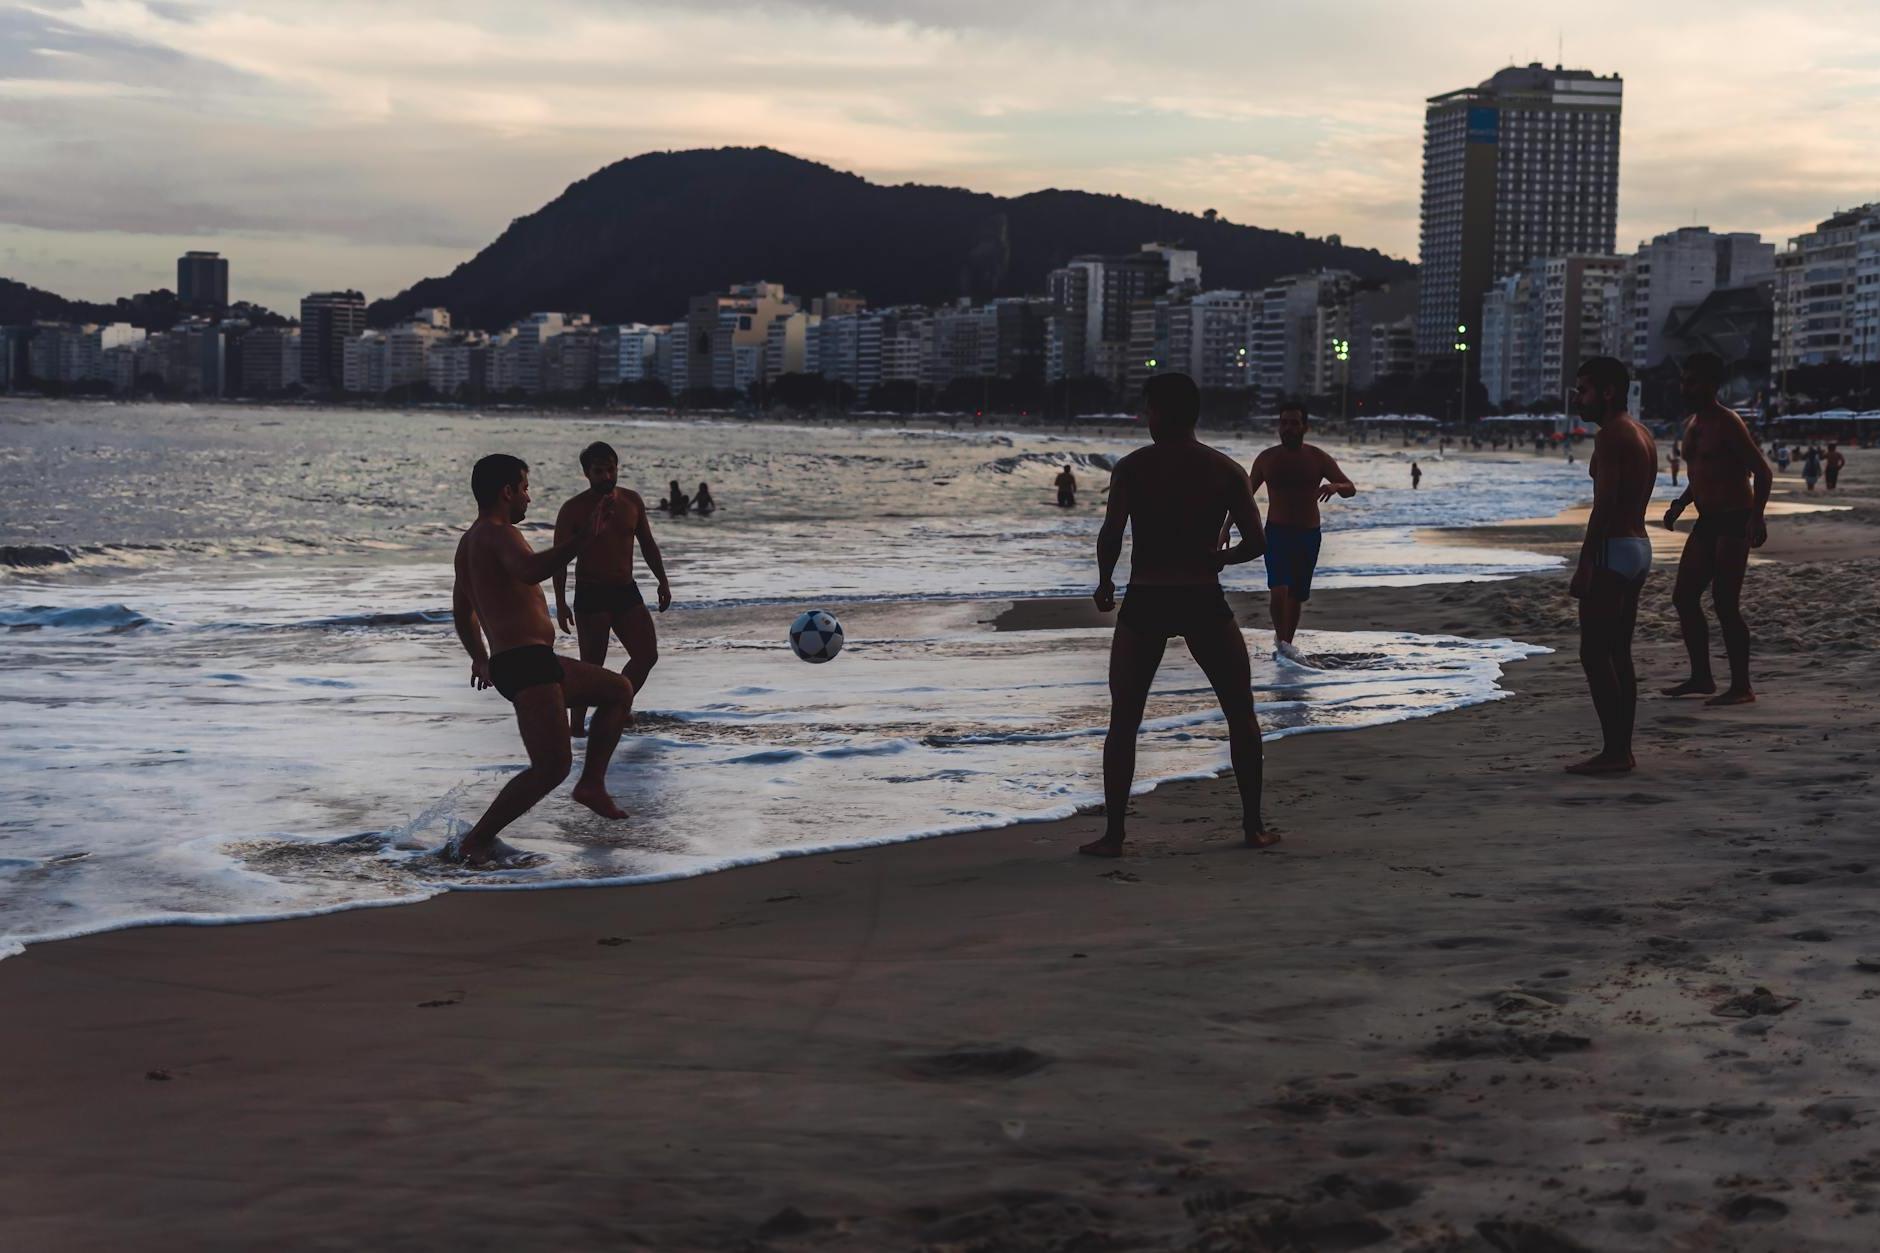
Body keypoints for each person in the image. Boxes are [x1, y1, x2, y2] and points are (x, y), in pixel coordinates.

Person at [1084, 372, 1270, 857]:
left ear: (1162, 414)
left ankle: (1115, 835)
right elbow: (1257, 542)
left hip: (1147, 598)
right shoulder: (1226, 470)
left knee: (1124, 719)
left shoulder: (1132, 468)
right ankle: (1252, 826)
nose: (1146, 420)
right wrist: (1220, 559)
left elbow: (1112, 532)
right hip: (1202, 598)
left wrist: (1105, 582)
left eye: (1148, 411)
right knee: (1240, 713)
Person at [450, 454, 634, 868]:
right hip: (525, 662)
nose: (529, 499)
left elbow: (463, 612)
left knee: (617, 690)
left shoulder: (468, 544)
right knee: (550, 767)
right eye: (526, 488)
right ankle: (475, 842)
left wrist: (480, 658)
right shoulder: (498, 534)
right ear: (507, 491)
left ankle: (591, 786)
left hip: (523, 661)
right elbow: (531, 570)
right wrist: (581, 540)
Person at [1661, 352, 1773, 706]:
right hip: (1706, 521)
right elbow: (1702, 474)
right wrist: (1681, 503)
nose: (1685, 387)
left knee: (1725, 603)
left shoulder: (1728, 422)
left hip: (1734, 519)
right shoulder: (1693, 423)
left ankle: (1742, 687)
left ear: (1712, 384)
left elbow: (1763, 472)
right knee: (1684, 597)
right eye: (1683, 380)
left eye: (1692, 381)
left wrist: (1757, 517)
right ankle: (1702, 677)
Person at [1565, 358, 1658, 775]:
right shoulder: (1642, 433)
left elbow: (1604, 505)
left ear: (1606, 392)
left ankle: (1616, 751)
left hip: (1613, 548)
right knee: (1619, 650)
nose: (1576, 397)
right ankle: (1621, 747)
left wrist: (1586, 563)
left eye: (1583, 389)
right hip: (1638, 546)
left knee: (1593, 653)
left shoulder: (1610, 437)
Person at [553, 442, 672, 739]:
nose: (606, 476)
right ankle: (577, 730)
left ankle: (614, 705)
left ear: (617, 468)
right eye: (598, 471)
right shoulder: (573, 509)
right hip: (591, 594)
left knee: (646, 655)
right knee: (590, 667)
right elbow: (559, 558)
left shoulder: (631, 501)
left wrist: (663, 580)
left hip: (625, 591)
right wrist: (560, 601)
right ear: (586, 474)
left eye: (610, 469)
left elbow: (647, 543)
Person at [1224, 400, 1356, 662]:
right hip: (1277, 533)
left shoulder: (1317, 457)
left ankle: (1285, 643)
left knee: (1296, 595)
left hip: (1308, 534)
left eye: (1294, 423)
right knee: (1279, 589)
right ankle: (1282, 645)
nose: (1288, 428)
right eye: (1284, 423)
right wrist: (1226, 527)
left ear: (1305, 427)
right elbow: (1245, 496)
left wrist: (1335, 487)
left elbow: (1350, 487)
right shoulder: (1267, 459)